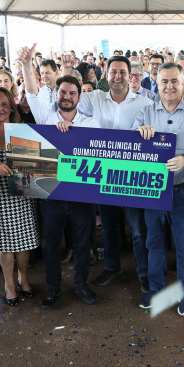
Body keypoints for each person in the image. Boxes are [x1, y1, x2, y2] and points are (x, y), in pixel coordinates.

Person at [19, 44, 101, 310]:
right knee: (52, 245)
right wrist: (26, 65)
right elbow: (32, 92)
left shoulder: (90, 124)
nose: (67, 96)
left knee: (82, 243)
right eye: (63, 92)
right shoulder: (45, 117)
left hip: (82, 195)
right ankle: (54, 288)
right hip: (51, 193)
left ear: (79, 96)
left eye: (72, 93)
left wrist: (73, 132)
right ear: (57, 94)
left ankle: (81, 284)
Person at [133, 62, 184, 316]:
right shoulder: (145, 113)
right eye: (164, 81)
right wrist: (138, 134)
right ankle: (156, 288)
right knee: (154, 242)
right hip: (152, 191)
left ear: (182, 83)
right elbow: (130, 150)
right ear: (156, 84)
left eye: (174, 81)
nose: (169, 86)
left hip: (183, 190)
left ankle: (183, 291)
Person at [73, 54, 154, 291]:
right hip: (103, 175)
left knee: (137, 229)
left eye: (122, 72)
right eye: (113, 72)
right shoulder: (94, 98)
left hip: (132, 177)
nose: (118, 76)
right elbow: (67, 102)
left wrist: (150, 130)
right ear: (105, 75)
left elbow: (157, 133)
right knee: (108, 226)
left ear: (131, 76)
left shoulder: (145, 104)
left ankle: (143, 271)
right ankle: (112, 266)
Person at [0, 87, 40, 306]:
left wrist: (27, 187)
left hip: (22, 195)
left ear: (12, 107)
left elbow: (34, 167)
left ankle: (23, 278)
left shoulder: (23, 131)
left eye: (4, 104)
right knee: (5, 246)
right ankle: (9, 285)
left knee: (24, 243)